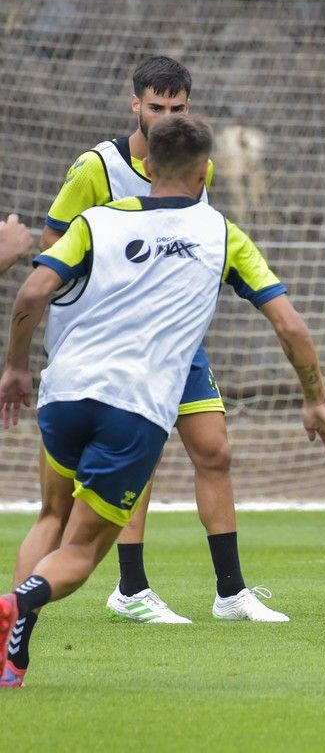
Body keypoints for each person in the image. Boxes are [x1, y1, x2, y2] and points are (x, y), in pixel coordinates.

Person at [0, 115, 325, 687]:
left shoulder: (94, 221)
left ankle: (13, 654)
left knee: (52, 515)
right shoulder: (223, 234)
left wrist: (15, 368)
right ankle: (16, 601)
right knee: (81, 554)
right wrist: (316, 400)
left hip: (63, 394)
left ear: (149, 168)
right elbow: (292, 328)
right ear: (206, 170)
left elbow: (35, 289)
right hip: (134, 408)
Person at [38, 56, 286, 625]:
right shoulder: (95, 169)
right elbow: (53, 249)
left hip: (175, 342)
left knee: (214, 450)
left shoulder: (198, 166)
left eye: (177, 108)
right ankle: (131, 589)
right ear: (135, 106)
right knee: (138, 456)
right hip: (113, 346)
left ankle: (230, 593)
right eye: (156, 107)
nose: (166, 117)